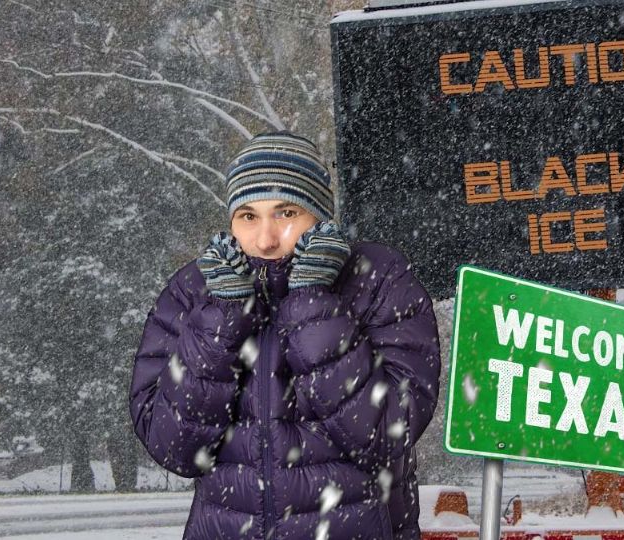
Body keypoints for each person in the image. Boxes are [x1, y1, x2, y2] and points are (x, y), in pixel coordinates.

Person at [129, 131, 441, 540]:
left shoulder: (379, 279)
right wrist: (223, 318)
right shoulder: (194, 292)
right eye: (248, 216)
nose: (266, 239)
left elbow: (384, 435)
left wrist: (312, 301)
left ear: (319, 216)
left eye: (286, 212)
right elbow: (173, 447)